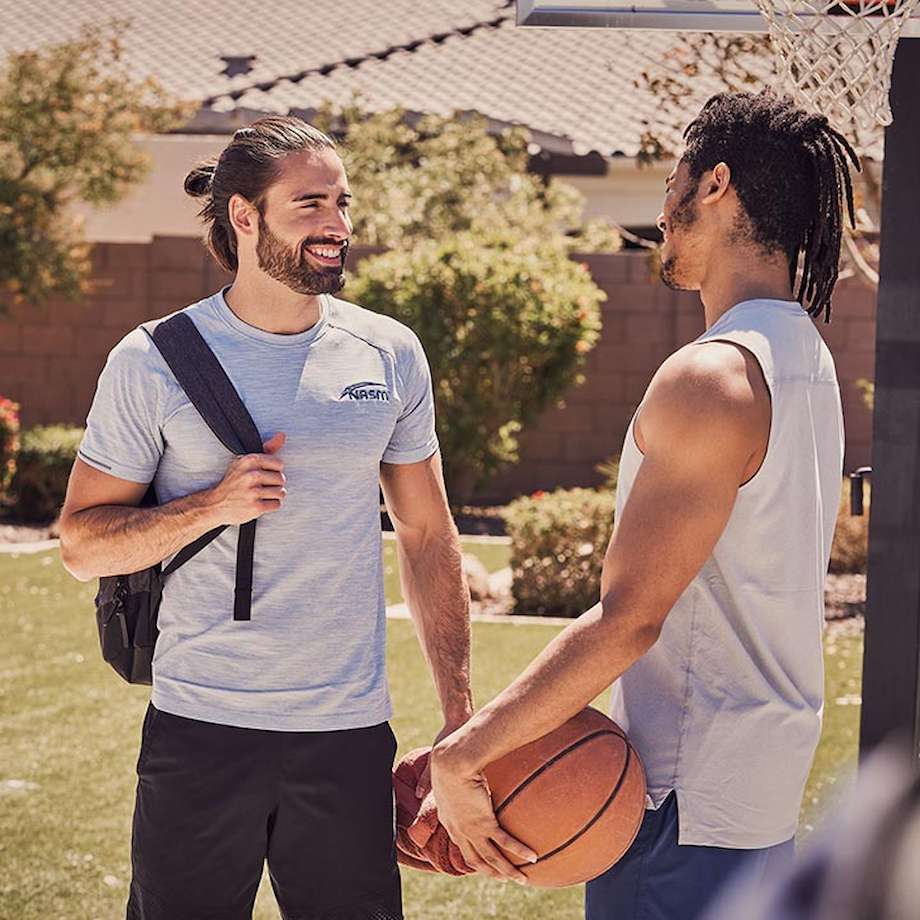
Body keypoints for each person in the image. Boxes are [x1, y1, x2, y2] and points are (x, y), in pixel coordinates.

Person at [429, 90, 859, 920]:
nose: (661, 211)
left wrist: (465, 755)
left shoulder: (712, 375)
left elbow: (630, 619)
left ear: (715, 186)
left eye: (673, 181)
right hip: (754, 795)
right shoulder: (804, 354)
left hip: (680, 802)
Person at [58, 115, 473, 920]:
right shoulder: (151, 361)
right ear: (244, 217)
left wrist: (459, 715)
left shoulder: (387, 353)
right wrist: (211, 504)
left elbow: (428, 535)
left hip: (348, 735)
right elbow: (80, 545)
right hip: (201, 729)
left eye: (343, 203)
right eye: (310, 204)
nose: (337, 225)